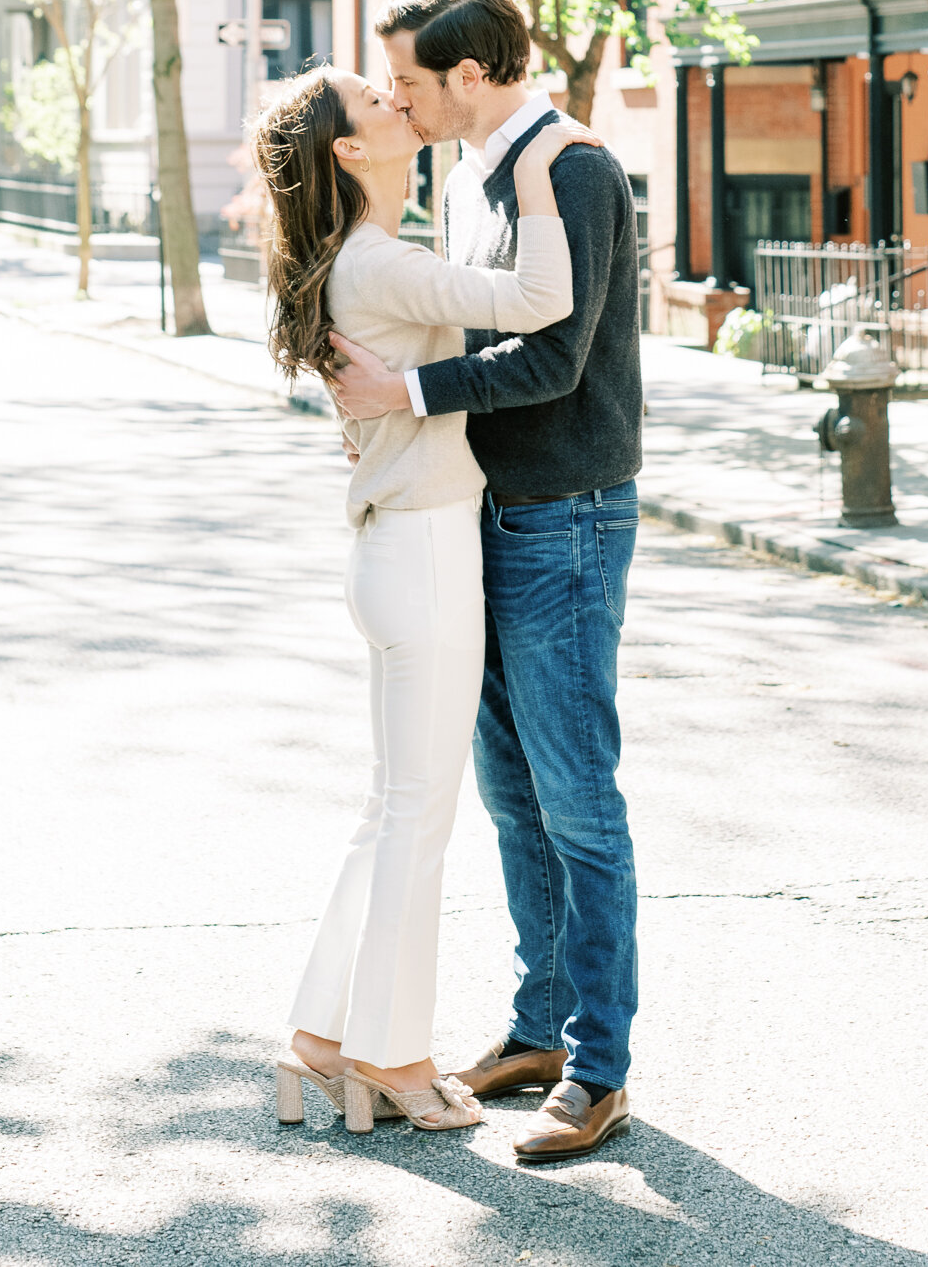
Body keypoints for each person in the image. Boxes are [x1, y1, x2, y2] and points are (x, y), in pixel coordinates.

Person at [326, 0, 643, 1165]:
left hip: (566, 514)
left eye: (410, 80)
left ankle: (599, 1065)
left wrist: (403, 387)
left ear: (470, 74)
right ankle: (539, 1028)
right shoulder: (470, 172)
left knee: (576, 795)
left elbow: (553, 352)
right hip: (486, 513)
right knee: (513, 792)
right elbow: (467, 311)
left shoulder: (574, 168)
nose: (398, 101)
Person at [256, 62, 596, 1136]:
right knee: (416, 819)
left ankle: (321, 1038)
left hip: (396, 552)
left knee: (390, 810)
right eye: (376, 100)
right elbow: (544, 300)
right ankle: (395, 1057)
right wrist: (540, 166)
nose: (399, 102)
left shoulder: (361, 260)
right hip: (428, 553)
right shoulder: (382, 262)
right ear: (349, 152)